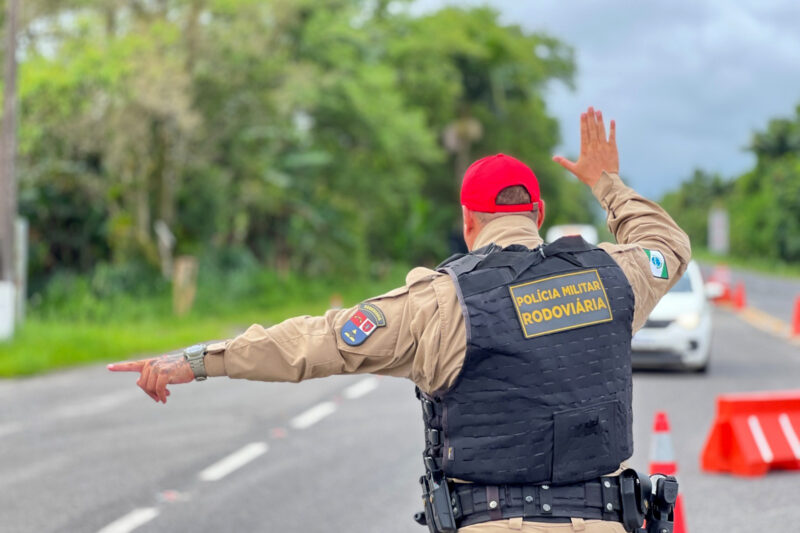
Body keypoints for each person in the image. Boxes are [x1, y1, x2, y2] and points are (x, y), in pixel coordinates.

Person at [109, 107, 691, 532]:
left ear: (468, 222)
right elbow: (666, 242)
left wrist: (194, 362)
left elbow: (311, 343)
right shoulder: (613, 279)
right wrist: (606, 183)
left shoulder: (439, 304)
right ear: (536, 213)